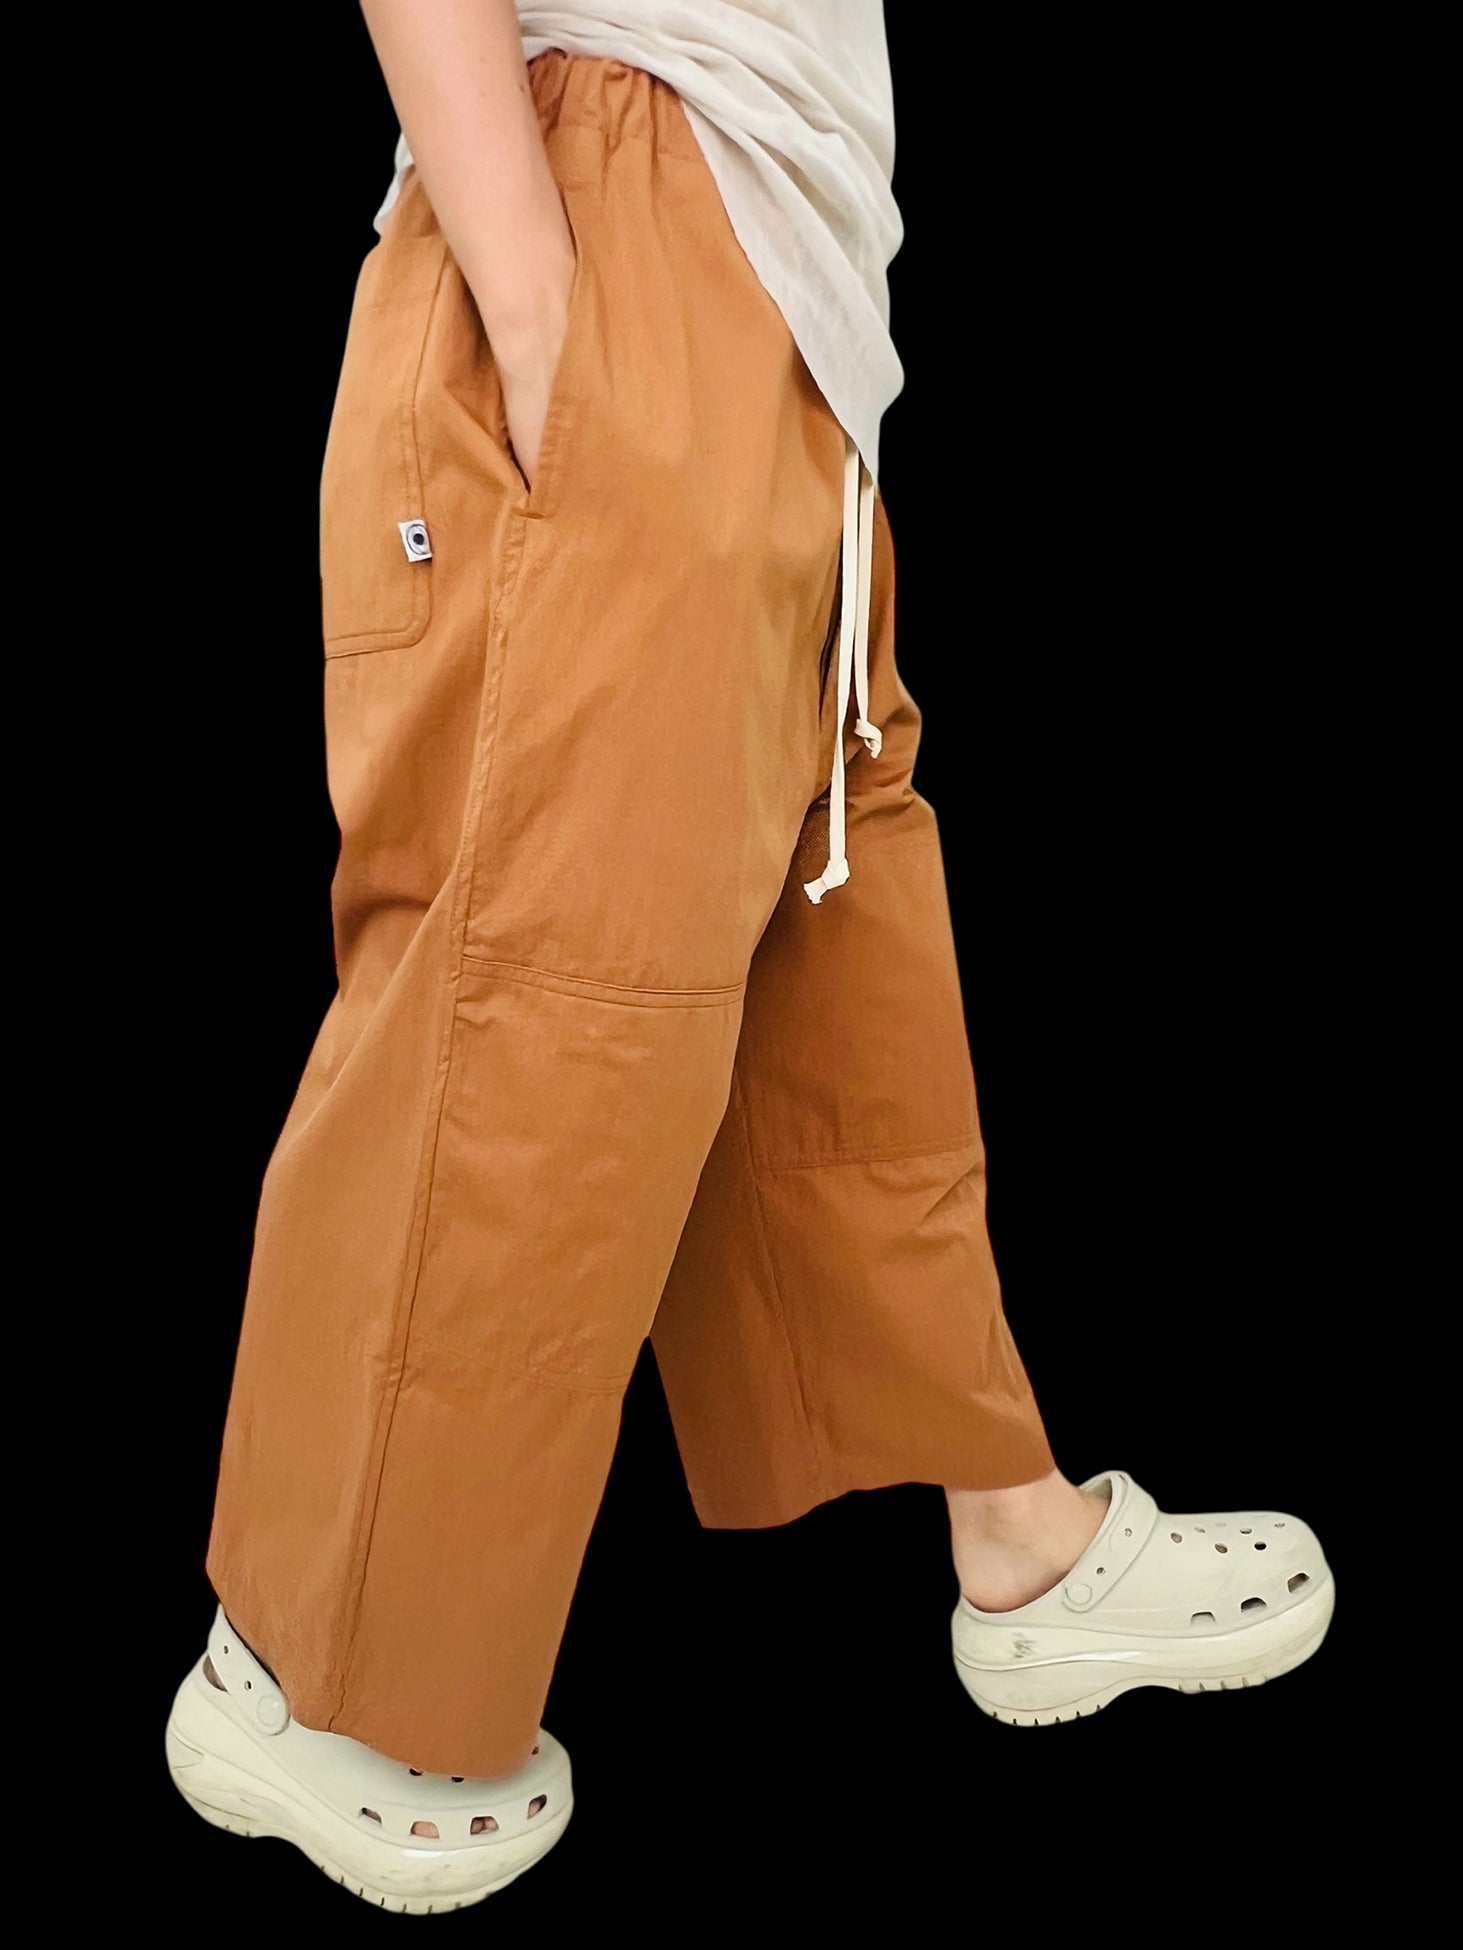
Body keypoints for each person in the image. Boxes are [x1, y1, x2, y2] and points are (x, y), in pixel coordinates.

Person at [166, 0, 1334, 1914]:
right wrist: (547, 309)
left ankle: (1017, 1538)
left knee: (828, 956)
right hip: (611, 210)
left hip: (765, 287)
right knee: (541, 992)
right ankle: (304, 1681)